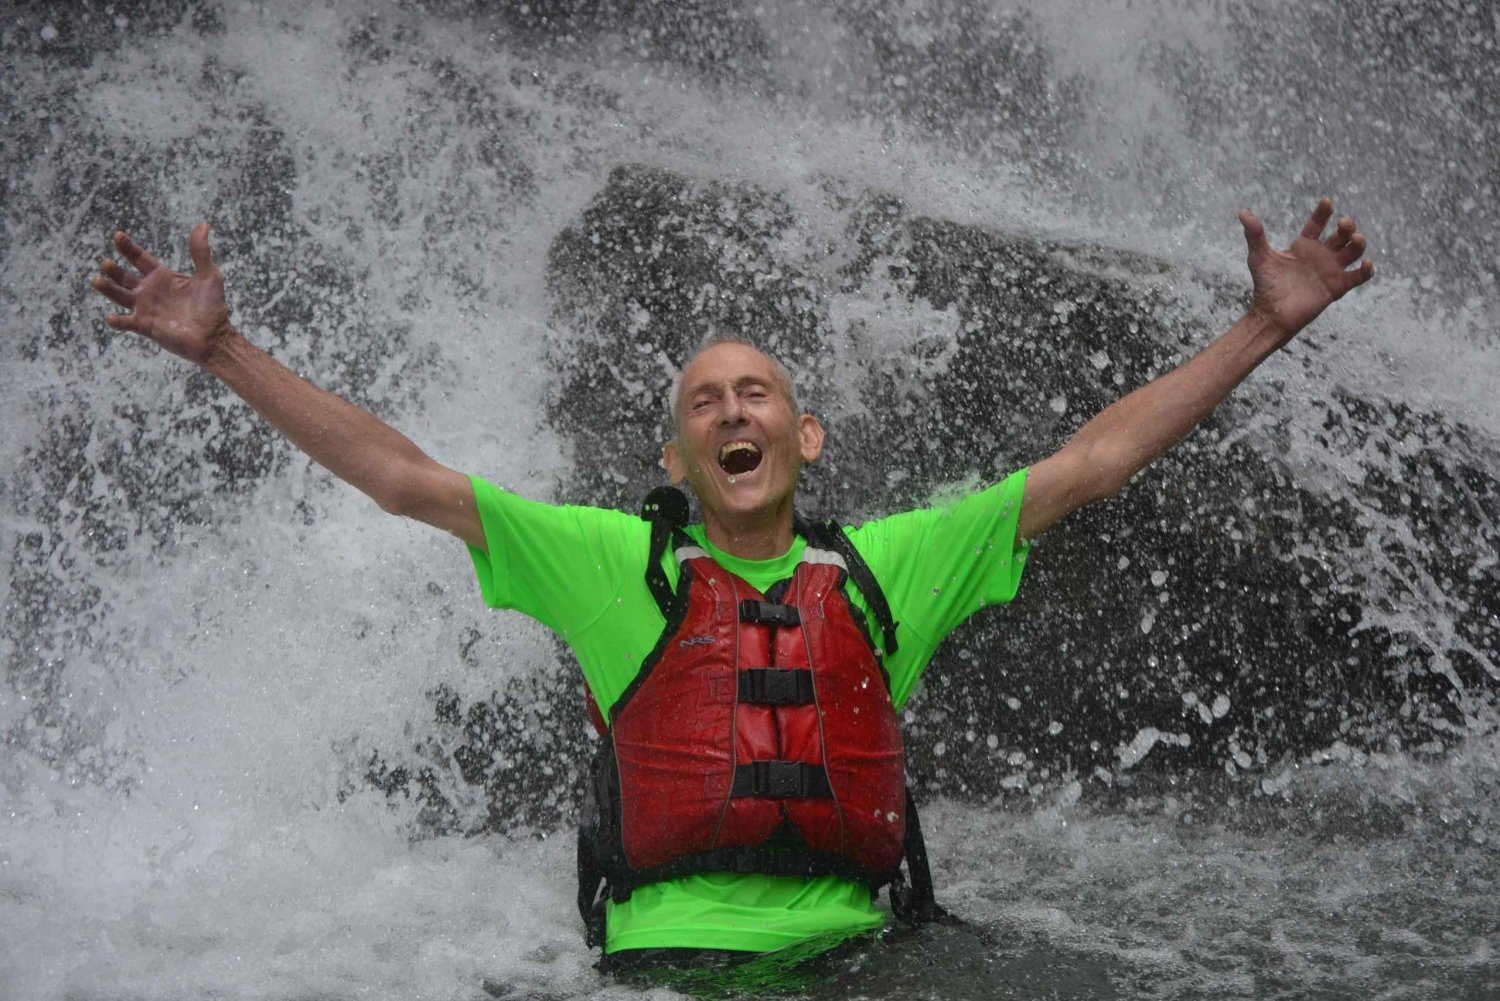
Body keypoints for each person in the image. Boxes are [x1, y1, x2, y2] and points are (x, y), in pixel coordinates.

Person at [89, 199, 1373, 969]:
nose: (733, 409)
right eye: (705, 402)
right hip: (668, 970)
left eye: (756, 392)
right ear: (677, 455)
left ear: (805, 437)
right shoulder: (609, 563)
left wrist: (1265, 325)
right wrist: (223, 350)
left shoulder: (887, 570)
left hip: (855, 960)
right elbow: (408, 480)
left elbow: (1093, 461)